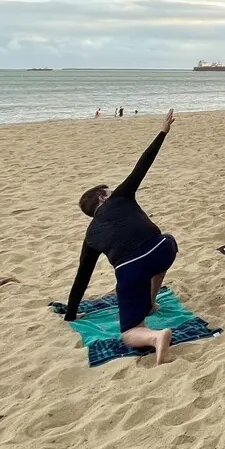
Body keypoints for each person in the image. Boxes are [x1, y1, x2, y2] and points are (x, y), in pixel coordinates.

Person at [63, 109, 179, 364]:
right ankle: (151, 301)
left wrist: (71, 314)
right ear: (103, 197)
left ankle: (154, 336)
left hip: (129, 270)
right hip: (162, 249)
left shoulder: (91, 234)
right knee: (167, 240)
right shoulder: (119, 197)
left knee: (129, 332)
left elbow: (82, 276)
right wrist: (163, 131)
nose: (113, 190)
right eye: (109, 190)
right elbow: (143, 165)